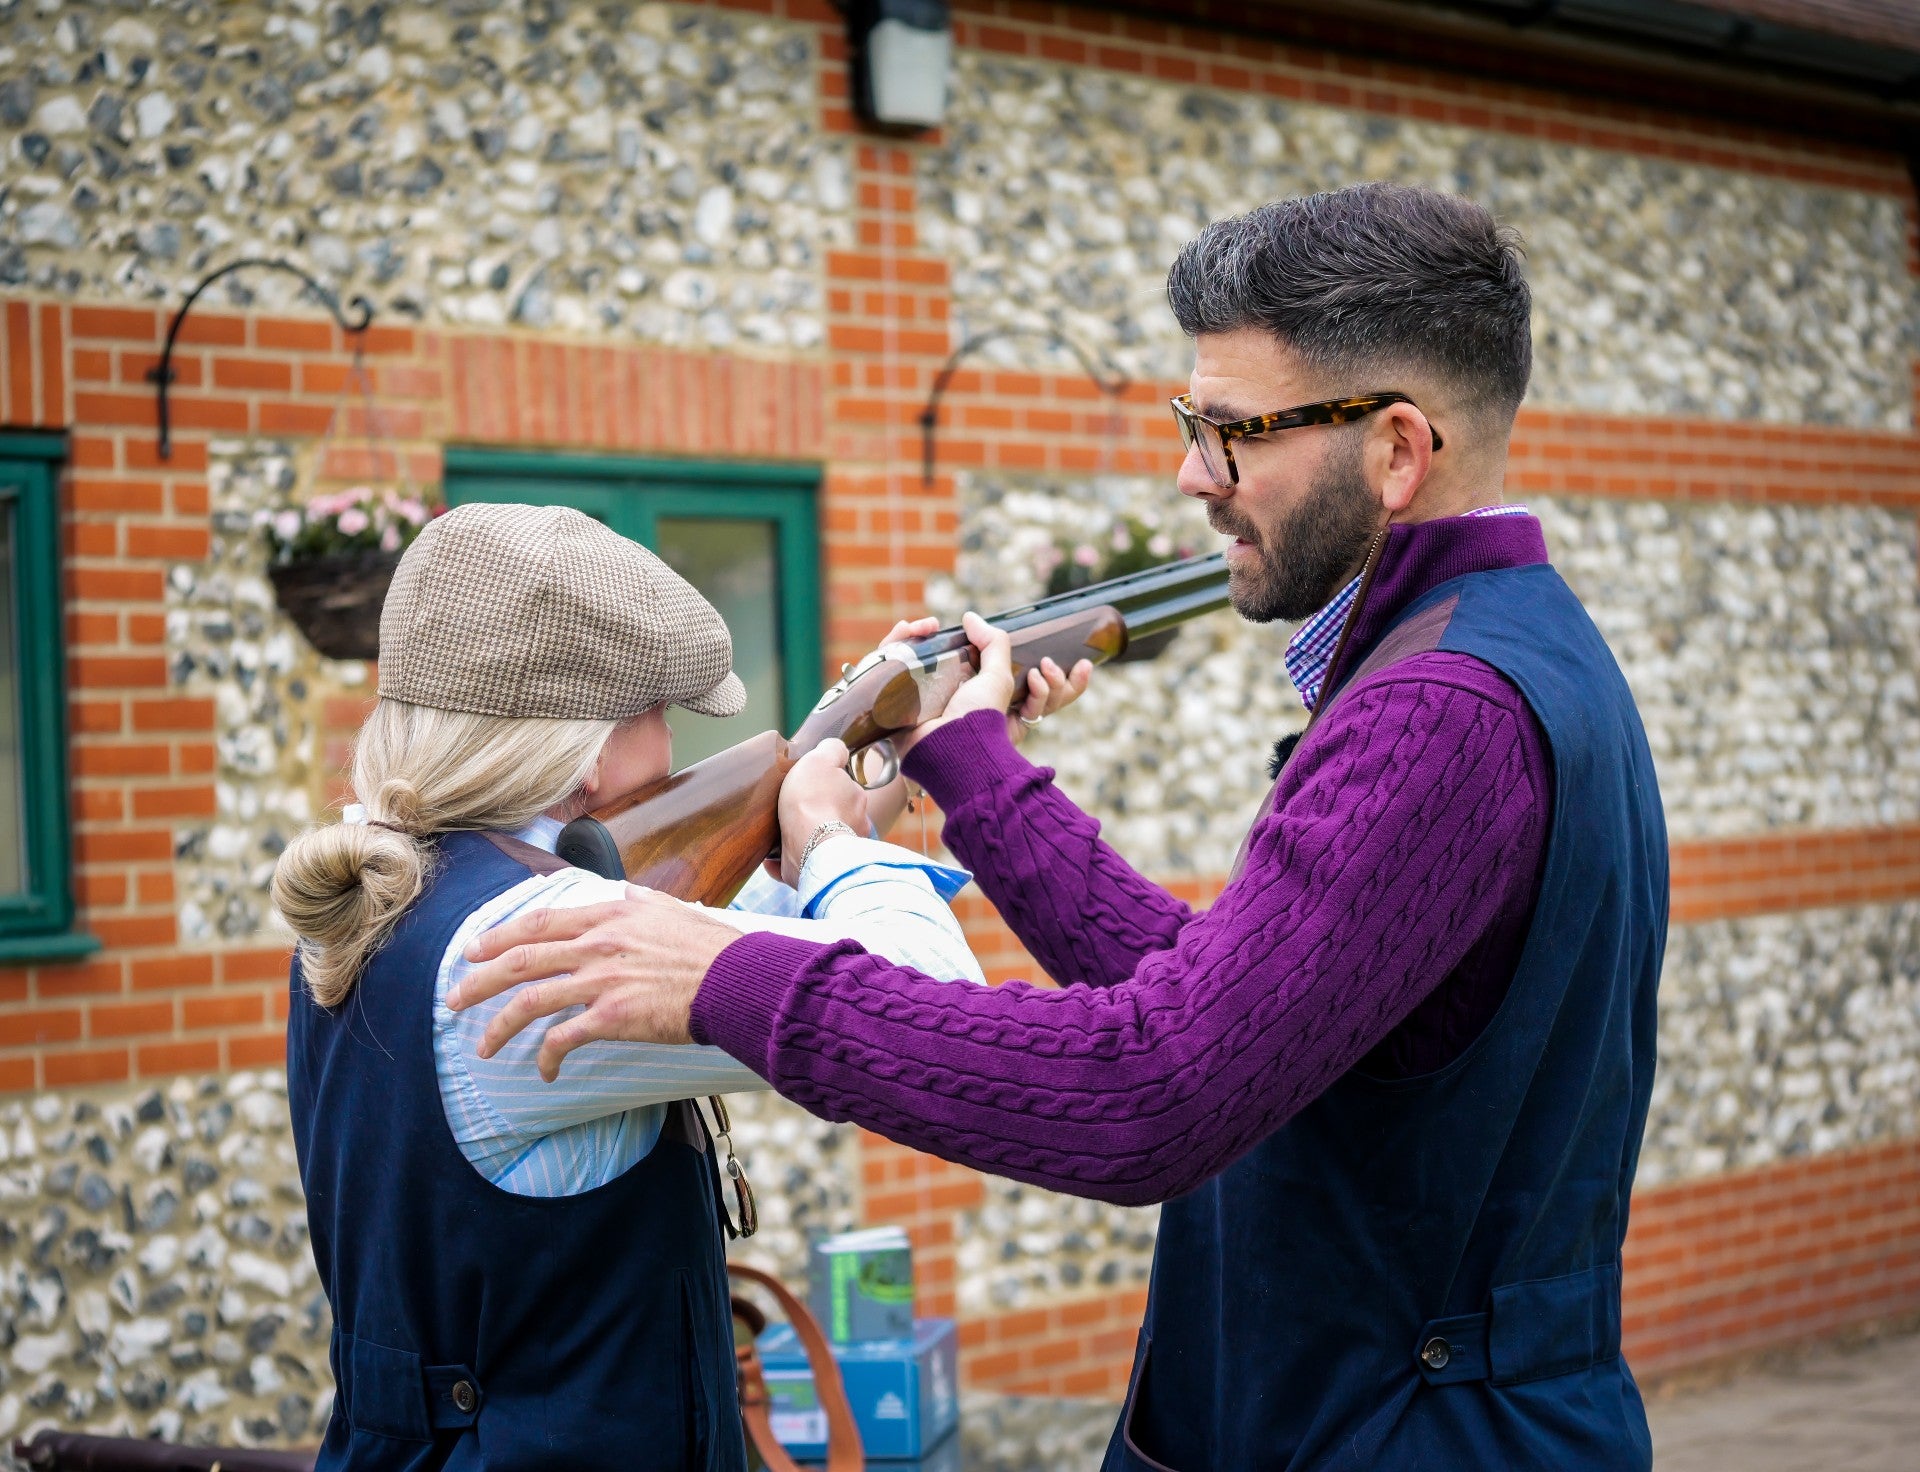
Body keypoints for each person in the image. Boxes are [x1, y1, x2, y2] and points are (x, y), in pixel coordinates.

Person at [453, 184, 1667, 1470]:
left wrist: (728, 975)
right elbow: (1216, 1005)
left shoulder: (1435, 714)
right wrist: (974, 770)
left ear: (1398, 451)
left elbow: (1149, 1089)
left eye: (1228, 430)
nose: (1191, 473)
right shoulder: (1499, 652)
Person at [275, 502, 1037, 1471]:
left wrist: (877, 765)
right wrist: (833, 838)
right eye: (662, 716)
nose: (676, 752)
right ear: (589, 750)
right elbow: (935, 1017)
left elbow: (734, 937)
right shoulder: (544, 936)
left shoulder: (402, 889)